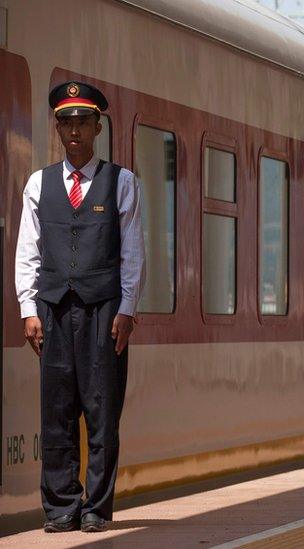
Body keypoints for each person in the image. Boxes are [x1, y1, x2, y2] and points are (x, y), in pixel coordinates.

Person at [15, 82, 145, 533]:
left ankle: (96, 507)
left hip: (103, 312)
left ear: (97, 127)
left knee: (102, 411)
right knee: (56, 410)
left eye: (83, 122)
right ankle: (61, 505)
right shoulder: (39, 183)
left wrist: (126, 308)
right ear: (58, 128)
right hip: (52, 309)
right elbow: (27, 251)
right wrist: (27, 308)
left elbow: (132, 252)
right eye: (66, 122)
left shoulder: (121, 181)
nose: (74, 130)